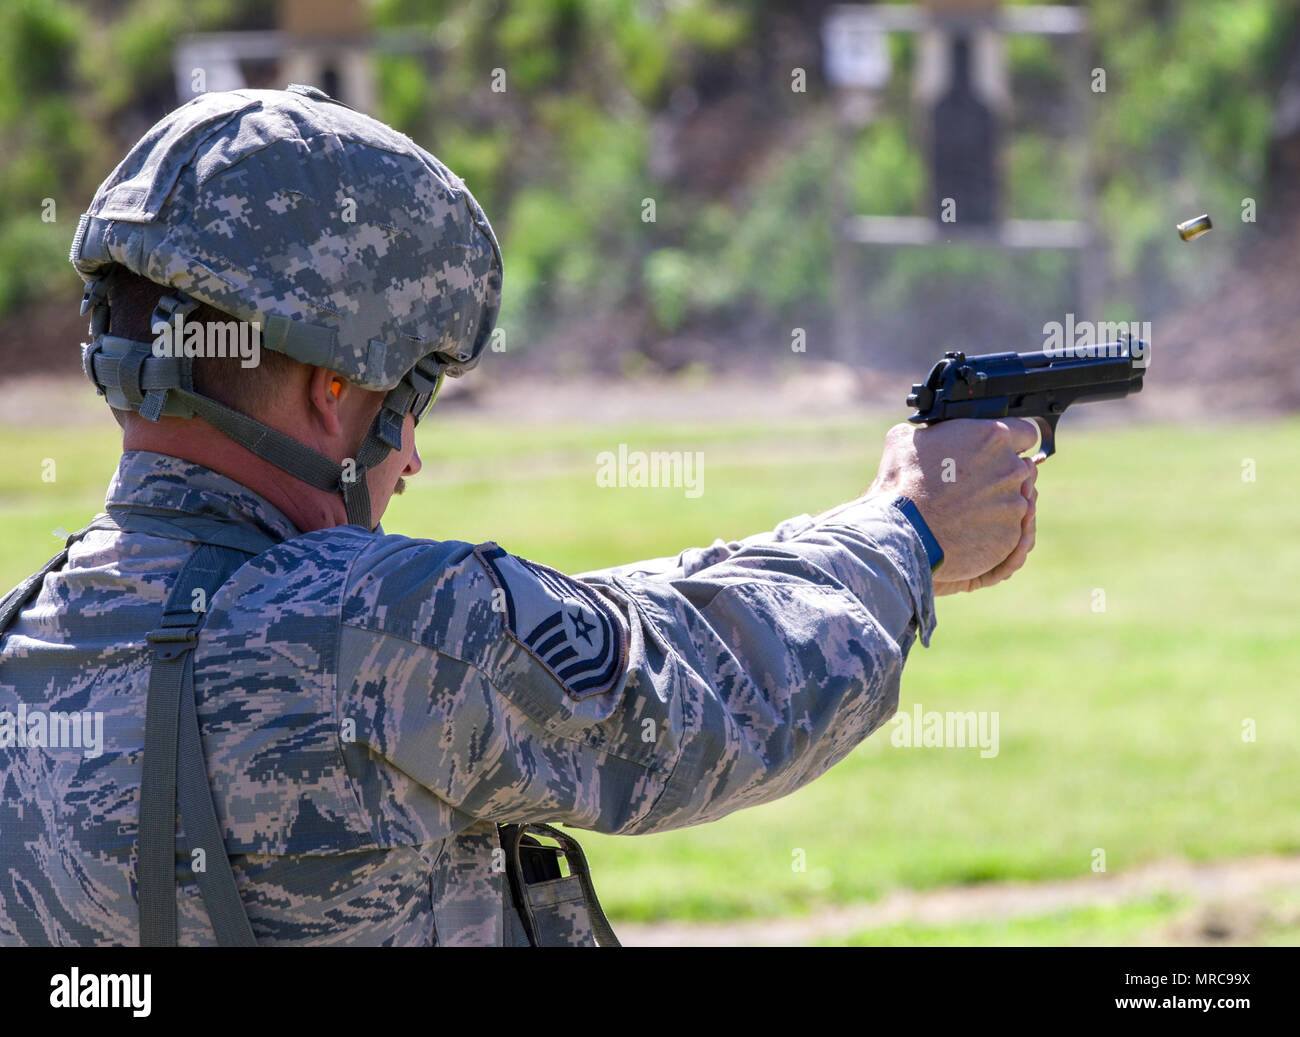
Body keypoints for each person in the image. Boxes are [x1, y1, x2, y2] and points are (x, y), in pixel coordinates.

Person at [0, 86, 1038, 946]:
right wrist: (904, 530)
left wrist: (849, 528)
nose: (410, 453)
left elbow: (592, 623)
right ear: (332, 385)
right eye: (406, 398)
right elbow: (690, 692)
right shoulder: (378, 627)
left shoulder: (26, 642)